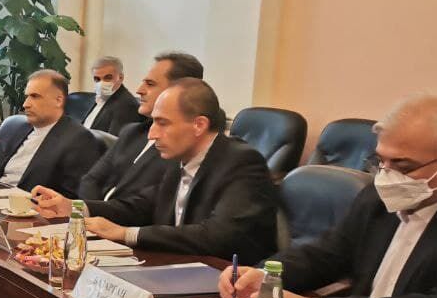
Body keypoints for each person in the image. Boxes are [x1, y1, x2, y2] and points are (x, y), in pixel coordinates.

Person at [219, 94, 437, 298]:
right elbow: (327, 253)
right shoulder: (376, 198)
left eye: (404, 166)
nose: (387, 176)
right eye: (380, 161)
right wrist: (266, 276)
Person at [81, 78, 279, 263]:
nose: (152, 134)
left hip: (227, 277)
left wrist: (127, 234)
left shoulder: (242, 162)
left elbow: (219, 235)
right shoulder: (180, 158)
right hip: (180, 267)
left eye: (162, 123)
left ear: (199, 125)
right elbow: (141, 206)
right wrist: (79, 208)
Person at [34, 51, 202, 213]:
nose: (139, 90)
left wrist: (87, 213)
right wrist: (82, 214)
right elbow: (90, 180)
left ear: (180, 91)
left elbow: (143, 207)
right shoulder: (132, 132)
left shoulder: (183, 148)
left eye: (150, 84)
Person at [0, 69, 103, 196]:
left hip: (29, 204)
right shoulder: (14, 128)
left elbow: (72, 198)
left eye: (35, 96)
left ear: (58, 100)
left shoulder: (78, 139)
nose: (26, 104)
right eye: (27, 96)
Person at [76, 55, 143, 134]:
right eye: (97, 79)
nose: (101, 83)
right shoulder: (100, 97)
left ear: (120, 78)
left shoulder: (126, 105)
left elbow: (113, 140)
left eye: (108, 78)